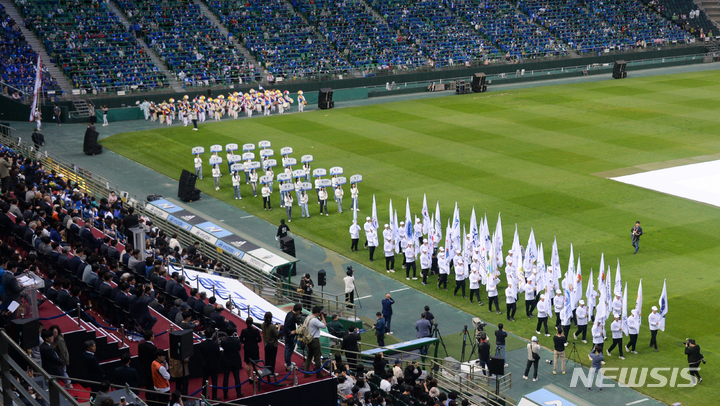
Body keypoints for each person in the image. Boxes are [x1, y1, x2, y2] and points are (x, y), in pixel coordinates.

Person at [303, 306, 327, 378]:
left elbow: (315, 324)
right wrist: (323, 318)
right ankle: (319, 374)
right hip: (315, 340)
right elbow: (324, 326)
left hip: (309, 339)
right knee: (317, 357)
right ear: (318, 313)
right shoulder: (314, 320)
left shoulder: (308, 317)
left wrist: (319, 318)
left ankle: (306, 371)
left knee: (309, 356)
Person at [198, 329, 221, 400]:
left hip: (205, 365)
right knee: (214, 381)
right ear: (212, 335)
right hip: (214, 365)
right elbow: (218, 355)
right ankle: (214, 396)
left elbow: (200, 355)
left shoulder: (202, 344)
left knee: (205, 380)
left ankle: (204, 395)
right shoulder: (215, 344)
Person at [220, 330, 242, 399]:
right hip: (235, 360)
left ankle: (225, 394)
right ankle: (238, 393)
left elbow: (222, 348)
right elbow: (239, 348)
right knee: (237, 377)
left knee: (226, 378)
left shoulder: (223, 341)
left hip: (226, 361)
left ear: (226, 333)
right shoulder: (236, 340)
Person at [283, 304, 302, 370]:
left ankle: (288, 362)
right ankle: (288, 364)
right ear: (298, 310)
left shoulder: (290, 314)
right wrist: (290, 332)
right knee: (289, 349)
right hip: (289, 335)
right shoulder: (291, 317)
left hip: (287, 334)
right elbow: (286, 326)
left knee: (287, 348)